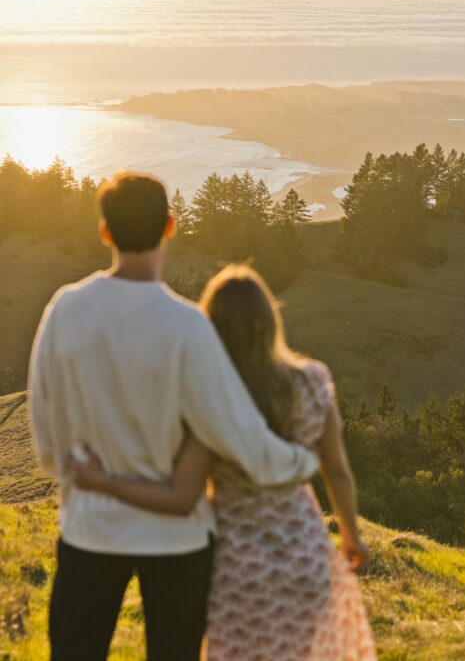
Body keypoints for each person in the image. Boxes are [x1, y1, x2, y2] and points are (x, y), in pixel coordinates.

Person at [27, 171, 319, 661]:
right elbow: (237, 432)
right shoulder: (188, 327)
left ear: (105, 232)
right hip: (177, 540)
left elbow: (45, 429)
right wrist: (300, 462)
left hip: (91, 527)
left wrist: (79, 477)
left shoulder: (65, 310)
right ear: (169, 226)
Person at [71, 264, 377, 661]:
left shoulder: (211, 400)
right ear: (270, 320)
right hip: (305, 554)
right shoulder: (312, 383)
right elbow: (337, 470)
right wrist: (350, 534)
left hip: (238, 567)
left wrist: (104, 481)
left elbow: (182, 496)